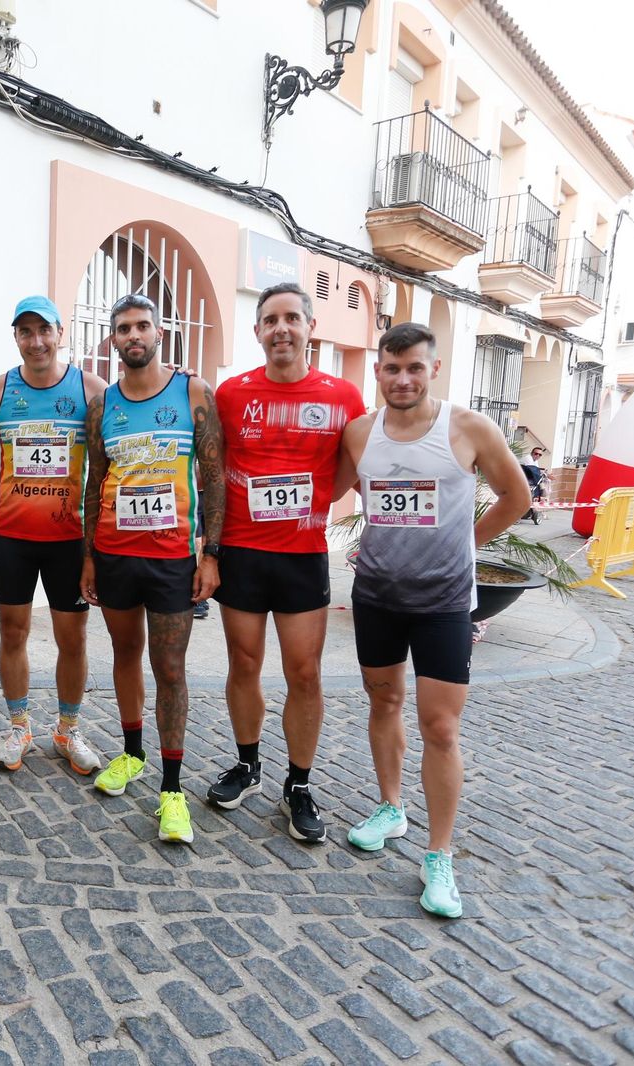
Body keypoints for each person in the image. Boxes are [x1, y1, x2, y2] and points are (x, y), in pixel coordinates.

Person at [339, 322, 529, 918]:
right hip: (376, 597)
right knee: (384, 702)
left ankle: (439, 855)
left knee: (441, 728)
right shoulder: (359, 433)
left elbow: (516, 497)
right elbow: (345, 494)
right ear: (378, 371)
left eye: (414, 368)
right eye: (391, 368)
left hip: (444, 602)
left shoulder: (468, 427)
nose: (402, 379)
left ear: (434, 370)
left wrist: (466, 543)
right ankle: (391, 808)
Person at [207, 283, 365, 843]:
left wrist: (320, 500)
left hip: (302, 556)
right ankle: (247, 765)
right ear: (257, 332)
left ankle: (299, 784)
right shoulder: (231, 394)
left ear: (309, 327)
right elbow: (214, 467)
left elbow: (351, 466)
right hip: (244, 553)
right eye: (271, 320)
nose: (282, 329)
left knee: (304, 673)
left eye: (292, 318)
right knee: (244, 664)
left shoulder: (343, 395)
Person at [80, 293, 225, 844]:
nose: (133, 335)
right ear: (113, 339)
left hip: (172, 560)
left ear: (159, 332)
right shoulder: (103, 407)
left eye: (142, 325)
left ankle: (172, 790)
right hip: (115, 553)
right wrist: (89, 555)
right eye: (123, 328)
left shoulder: (193, 394)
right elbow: (95, 483)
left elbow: (214, 480)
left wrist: (211, 554)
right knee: (124, 655)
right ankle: (132, 753)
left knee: (170, 669)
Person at [0, 295, 105, 774]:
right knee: (13, 633)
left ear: (60, 333)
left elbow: (113, 459)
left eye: (44, 330)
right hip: (12, 535)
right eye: (25, 332)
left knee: (72, 639)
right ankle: (18, 727)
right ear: (16, 337)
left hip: (69, 539)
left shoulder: (90, 388)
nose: (36, 341)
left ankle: (68, 731)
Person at [520, 446, 550, 524]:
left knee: (544, 488)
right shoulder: (528, 459)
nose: (537, 456)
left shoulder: (535, 461)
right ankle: (539, 510)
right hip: (526, 479)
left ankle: (539, 509)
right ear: (532, 453)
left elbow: (536, 470)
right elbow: (533, 470)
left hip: (530, 480)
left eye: (540, 455)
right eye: (536, 453)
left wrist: (544, 473)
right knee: (542, 489)